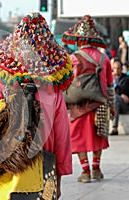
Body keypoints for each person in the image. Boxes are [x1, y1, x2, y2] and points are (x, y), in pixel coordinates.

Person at [0, 12, 73, 199]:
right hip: (42, 173)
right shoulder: (53, 94)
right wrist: (59, 177)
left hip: (2, 169)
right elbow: (62, 141)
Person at [62, 15, 116, 183]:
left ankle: (85, 171)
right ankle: (96, 168)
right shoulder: (104, 58)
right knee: (98, 136)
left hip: (78, 106)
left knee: (79, 138)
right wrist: (112, 105)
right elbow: (109, 86)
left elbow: (65, 83)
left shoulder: (72, 59)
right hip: (99, 103)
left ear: (78, 41)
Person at [110, 58, 129, 135]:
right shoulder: (109, 79)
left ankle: (115, 128)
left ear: (121, 69)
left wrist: (114, 83)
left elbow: (121, 89)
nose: (116, 70)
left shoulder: (126, 79)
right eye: (114, 68)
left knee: (116, 98)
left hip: (124, 105)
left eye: (118, 68)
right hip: (113, 104)